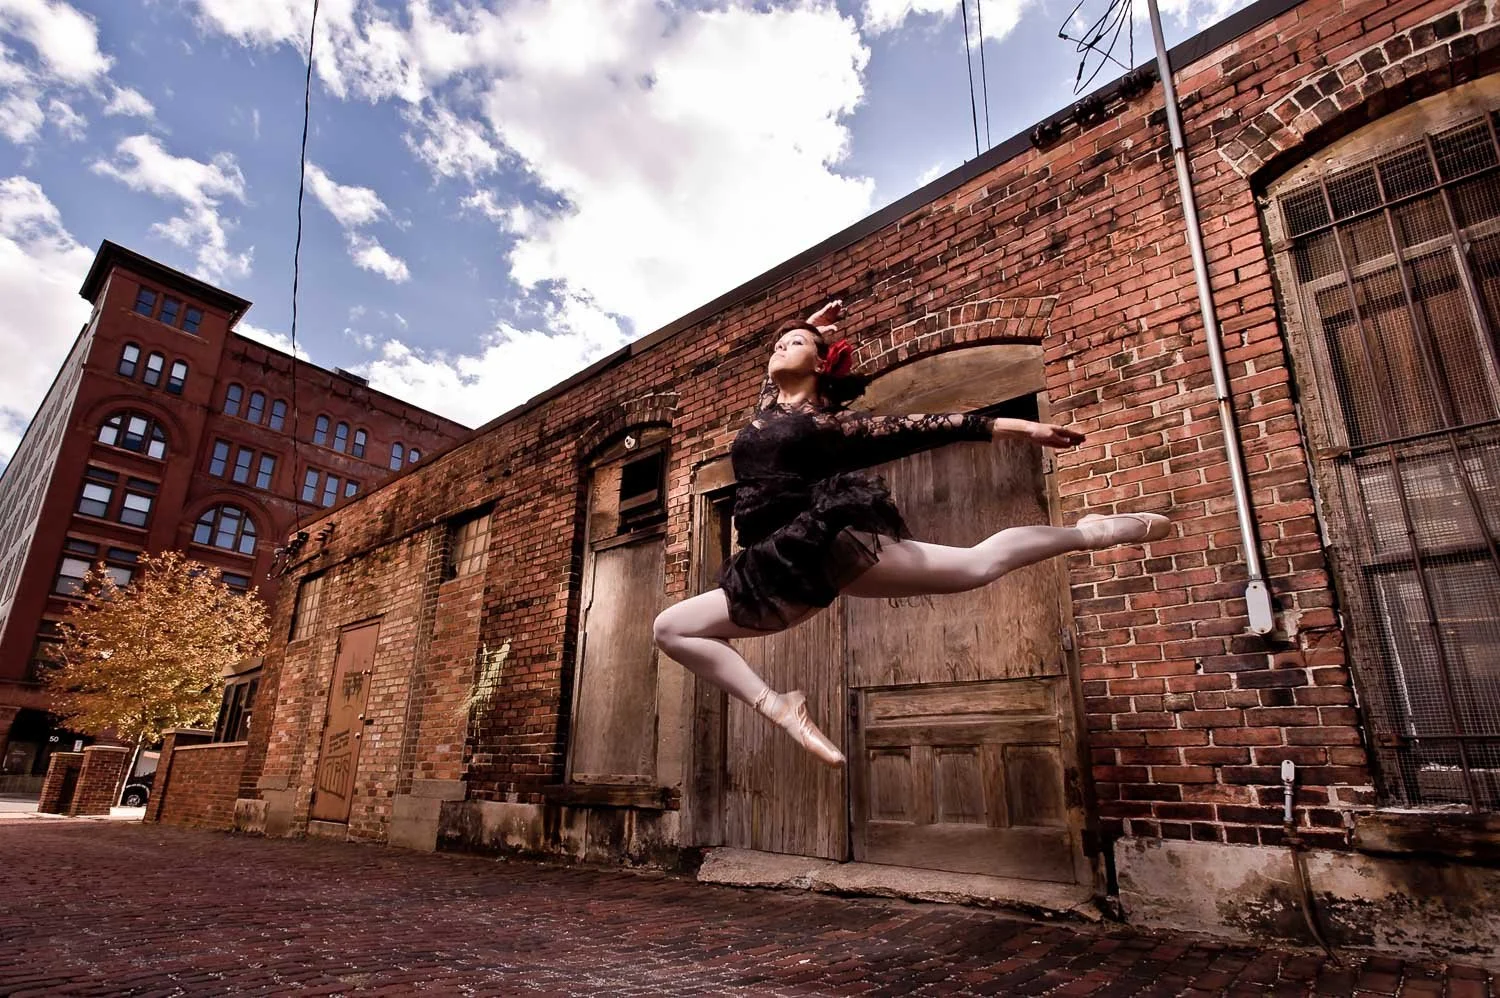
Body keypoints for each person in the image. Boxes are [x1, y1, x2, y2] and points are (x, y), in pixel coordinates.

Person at [652, 300, 1168, 766]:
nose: (781, 346)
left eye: (796, 344)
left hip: (823, 541)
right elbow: (783, 374)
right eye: (777, 343)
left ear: (820, 366)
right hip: (773, 557)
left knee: (976, 566)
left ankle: (1087, 534)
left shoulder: (832, 426)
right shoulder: (767, 411)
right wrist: (809, 326)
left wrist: (1022, 427)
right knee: (671, 629)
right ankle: (780, 706)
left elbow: (930, 425)